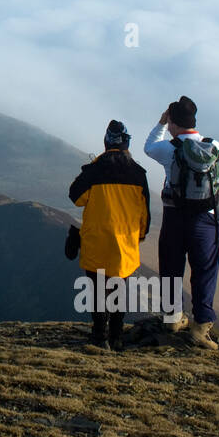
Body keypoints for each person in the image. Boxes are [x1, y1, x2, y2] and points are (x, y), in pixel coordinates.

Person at [144, 96, 219, 350]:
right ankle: (201, 327)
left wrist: (160, 123)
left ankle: (172, 319)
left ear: (172, 121)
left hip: (174, 217)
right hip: (207, 220)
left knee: (171, 267)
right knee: (204, 272)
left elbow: (149, 147)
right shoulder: (214, 146)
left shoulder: (169, 149)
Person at [69, 120, 151, 351]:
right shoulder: (138, 173)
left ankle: (99, 336)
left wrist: (90, 166)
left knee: (97, 289)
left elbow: (75, 197)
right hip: (125, 242)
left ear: (106, 142)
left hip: (96, 240)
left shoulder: (94, 170)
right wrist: (140, 236)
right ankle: (116, 336)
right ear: (126, 143)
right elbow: (145, 211)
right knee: (119, 287)